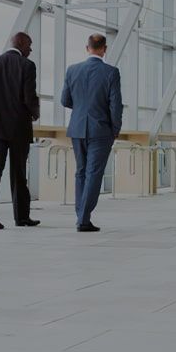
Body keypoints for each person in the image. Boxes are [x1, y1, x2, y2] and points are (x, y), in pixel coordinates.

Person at [0, 32, 42, 230]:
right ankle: (21, 217)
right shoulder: (27, 66)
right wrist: (35, 113)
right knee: (19, 172)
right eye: (29, 45)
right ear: (20, 43)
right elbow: (29, 96)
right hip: (19, 127)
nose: (31, 49)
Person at [60, 33, 121, 232]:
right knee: (94, 173)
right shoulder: (111, 72)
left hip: (77, 129)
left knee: (81, 172)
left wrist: (80, 110)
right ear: (104, 49)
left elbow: (65, 101)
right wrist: (115, 129)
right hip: (101, 130)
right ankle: (83, 218)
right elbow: (115, 105)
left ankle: (81, 215)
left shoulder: (72, 70)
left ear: (87, 48)